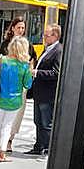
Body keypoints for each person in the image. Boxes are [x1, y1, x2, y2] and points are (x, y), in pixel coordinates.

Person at [0, 17, 28, 152]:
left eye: (23, 28)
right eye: (19, 27)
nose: (21, 30)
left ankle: (5, 143)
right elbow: (28, 81)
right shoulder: (6, 46)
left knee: (3, 122)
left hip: (7, 93)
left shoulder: (25, 45)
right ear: (12, 28)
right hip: (11, 94)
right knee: (4, 123)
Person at [0, 36, 34, 163]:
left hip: (0, 97)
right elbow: (28, 85)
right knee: (7, 126)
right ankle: (3, 153)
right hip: (15, 101)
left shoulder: (2, 60)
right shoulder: (24, 66)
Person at [26, 23, 62, 156]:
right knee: (38, 121)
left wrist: (36, 72)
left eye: (47, 35)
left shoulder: (58, 50)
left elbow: (56, 73)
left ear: (55, 36)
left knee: (47, 123)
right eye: (44, 35)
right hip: (39, 93)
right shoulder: (47, 49)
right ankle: (38, 146)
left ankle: (48, 148)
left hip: (48, 94)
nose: (44, 37)